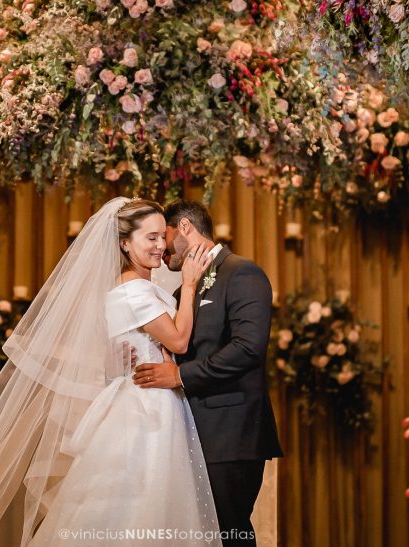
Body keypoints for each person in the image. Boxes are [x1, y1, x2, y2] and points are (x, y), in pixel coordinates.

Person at [0, 197, 222, 546]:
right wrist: (187, 284)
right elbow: (180, 340)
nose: (160, 246)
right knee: (137, 507)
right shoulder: (131, 292)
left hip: (157, 402)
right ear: (125, 243)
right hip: (145, 410)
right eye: (150, 238)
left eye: (160, 237)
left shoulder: (143, 288)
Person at [133, 200, 283, 547]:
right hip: (185, 433)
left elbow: (248, 347)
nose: (160, 247)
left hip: (230, 433)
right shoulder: (178, 290)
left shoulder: (241, 272)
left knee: (228, 532)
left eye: (163, 235)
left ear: (184, 227)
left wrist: (180, 376)